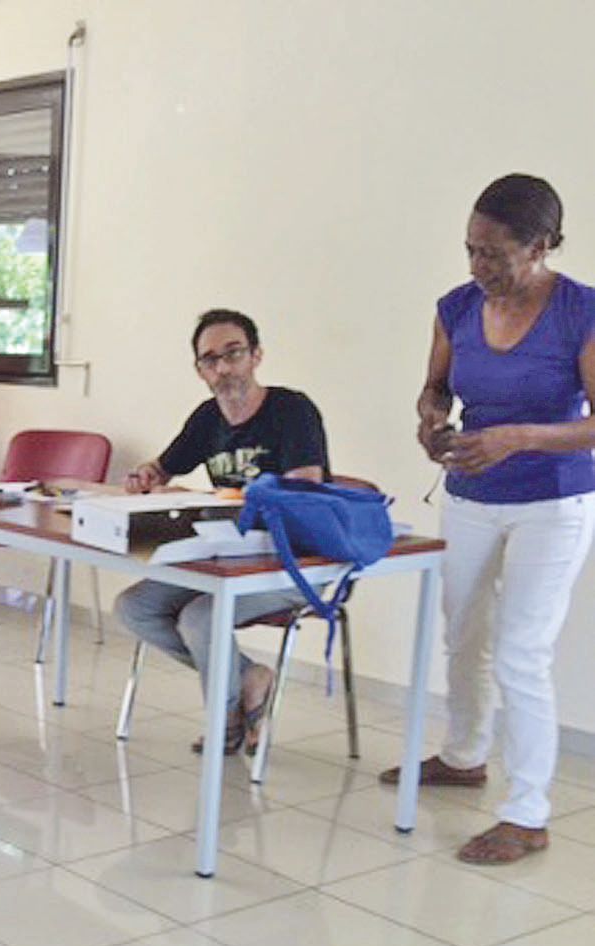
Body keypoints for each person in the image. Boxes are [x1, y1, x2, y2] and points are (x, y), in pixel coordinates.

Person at [379, 175, 595, 865]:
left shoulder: (581, 312)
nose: (479, 267)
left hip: (553, 502)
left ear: (542, 246)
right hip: (472, 493)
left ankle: (527, 813)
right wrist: (431, 420)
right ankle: (465, 754)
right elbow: (435, 387)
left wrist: (517, 437)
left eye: (495, 254)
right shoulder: (457, 307)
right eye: (471, 249)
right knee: (462, 632)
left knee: (521, 651)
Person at [116, 309, 329, 755]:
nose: (223, 368)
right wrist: (146, 474)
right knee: (133, 607)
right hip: (228, 557)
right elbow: (164, 466)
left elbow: (305, 490)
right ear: (200, 371)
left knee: (199, 617)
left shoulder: (292, 411)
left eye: (233, 354)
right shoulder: (207, 418)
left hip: (296, 562)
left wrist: (232, 502)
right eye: (210, 360)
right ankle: (248, 677)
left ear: (256, 356)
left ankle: (226, 720)